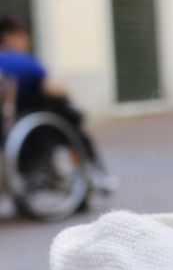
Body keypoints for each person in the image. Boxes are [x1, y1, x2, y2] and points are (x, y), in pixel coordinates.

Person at [0, 13, 115, 192]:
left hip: (9, 132)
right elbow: (59, 88)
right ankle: (90, 171)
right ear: (11, 36)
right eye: (24, 36)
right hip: (24, 130)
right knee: (67, 112)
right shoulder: (20, 62)